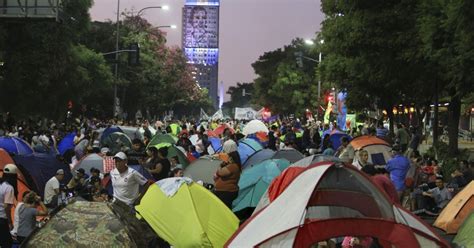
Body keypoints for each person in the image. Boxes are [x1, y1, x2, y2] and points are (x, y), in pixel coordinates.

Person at [214, 140, 242, 209]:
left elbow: (220, 172)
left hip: (226, 192)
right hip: (224, 192)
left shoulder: (233, 166)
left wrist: (220, 167)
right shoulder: (231, 165)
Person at [0, 164, 17, 247]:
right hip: (2, 218)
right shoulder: (9, 188)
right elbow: (6, 207)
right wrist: (10, 222)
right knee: (6, 243)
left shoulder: (1, 184)